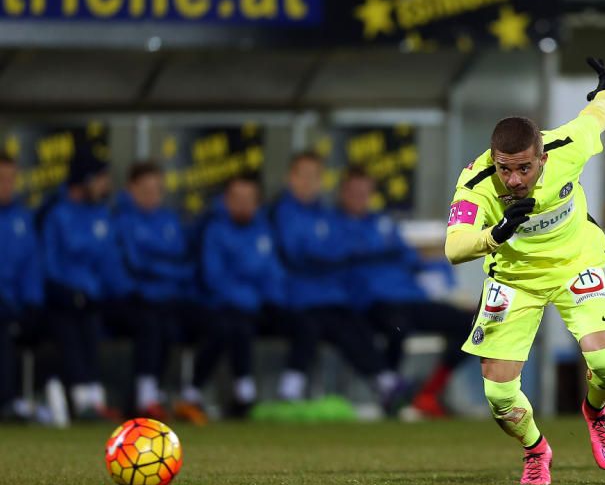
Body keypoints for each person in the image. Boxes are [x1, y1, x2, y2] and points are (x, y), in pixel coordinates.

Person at [444, 58, 605, 485]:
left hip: (574, 263)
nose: (513, 179)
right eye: (504, 168)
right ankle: (536, 449)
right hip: (514, 279)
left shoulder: (567, 146)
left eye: (524, 168)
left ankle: (596, 410)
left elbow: (597, 117)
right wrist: (496, 234)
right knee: (498, 395)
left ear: (542, 157)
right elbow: (453, 248)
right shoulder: (476, 182)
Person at [271, 152, 406, 411]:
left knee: (352, 324)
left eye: (316, 176)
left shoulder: (325, 214)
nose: (310, 182)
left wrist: (326, 252)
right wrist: (329, 253)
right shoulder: (281, 212)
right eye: (304, 175)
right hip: (291, 298)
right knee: (310, 325)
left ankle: (385, 383)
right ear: (291, 178)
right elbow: (298, 254)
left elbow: (342, 247)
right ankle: (289, 390)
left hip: (329, 296)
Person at [337, 166, 473, 417]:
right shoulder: (333, 226)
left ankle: (428, 394)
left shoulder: (383, 222)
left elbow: (413, 258)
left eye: (365, 193)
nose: (360, 199)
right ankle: (391, 396)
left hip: (411, 297)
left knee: (473, 323)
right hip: (373, 303)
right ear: (343, 193)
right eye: (354, 193)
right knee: (397, 328)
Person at [175, 174, 286, 422]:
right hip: (213, 304)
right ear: (226, 201)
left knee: (300, 321)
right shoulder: (213, 229)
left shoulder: (264, 231)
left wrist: (268, 299)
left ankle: (279, 395)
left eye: (249, 199)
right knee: (228, 326)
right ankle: (202, 392)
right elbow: (213, 278)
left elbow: (273, 275)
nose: (243, 205)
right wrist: (250, 292)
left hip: (254, 306)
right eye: (237, 198)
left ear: (257, 202)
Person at [42, 151, 132, 420]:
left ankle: (96, 398)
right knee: (70, 319)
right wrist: (66, 292)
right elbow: (47, 262)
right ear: (86, 180)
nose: (107, 185)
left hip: (95, 298)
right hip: (58, 297)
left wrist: (125, 293)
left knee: (100, 318)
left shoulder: (102, 214)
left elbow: (111, 263)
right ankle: (82, 399)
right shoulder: (55, 214)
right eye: (102, 178)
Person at [114, 161, 194, 420]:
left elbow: (183, 260)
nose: (152, 195)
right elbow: (135, 263)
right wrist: (164, 264)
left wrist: (156, 263)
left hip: (166, 298)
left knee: (171, 328)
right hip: (131, 298)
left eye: (157, 189)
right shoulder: (121, 219)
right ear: (131, 188)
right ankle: (144, 398)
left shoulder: (169, 219)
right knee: (149, 324)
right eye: (145, 189)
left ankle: (155, 394)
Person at [0, 155, 43, 421]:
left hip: (13, 304)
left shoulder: (22, 218)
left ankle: (17, 402)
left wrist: (32, 303)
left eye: (11, 179)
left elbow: (31, 266)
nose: (7, 185)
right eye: (1, 179)